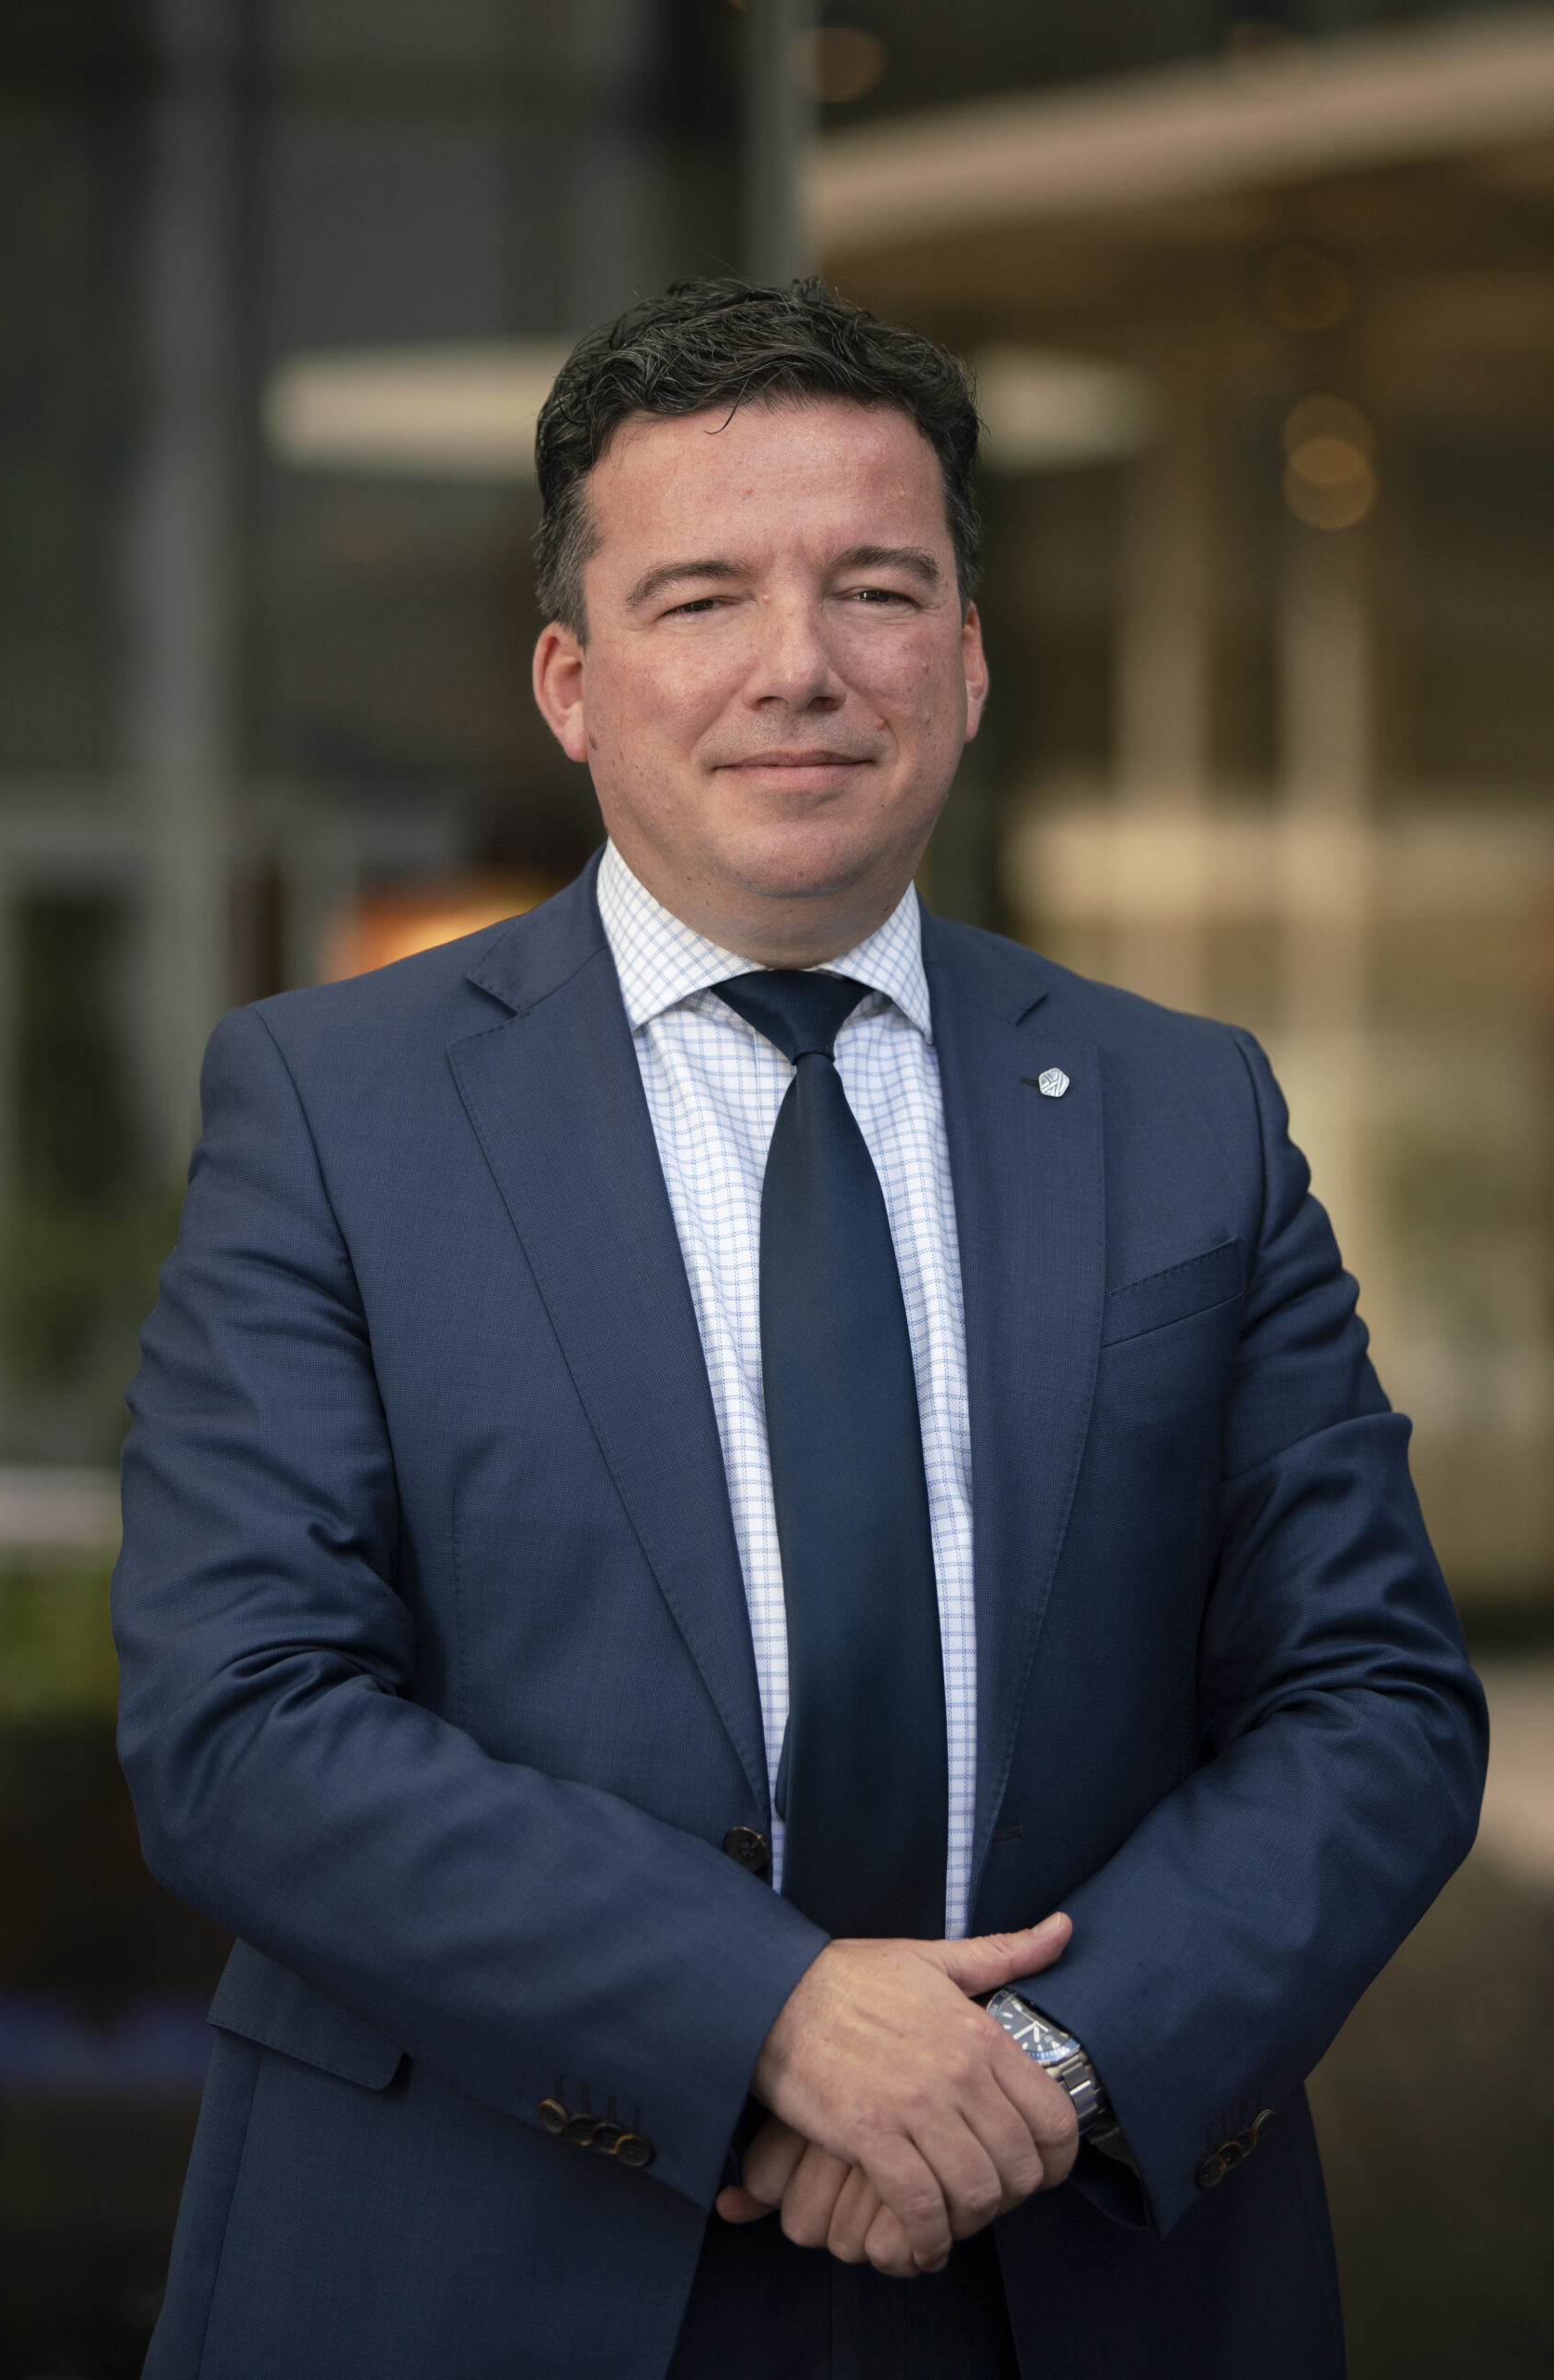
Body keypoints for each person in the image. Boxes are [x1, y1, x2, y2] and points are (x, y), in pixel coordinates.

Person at [112, 279, 1485, 2380]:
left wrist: (1045, 2063)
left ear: (968, 657)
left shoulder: (1184, 1105)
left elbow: (1372, 1697)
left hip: (1081, 2252)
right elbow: (242, 1718)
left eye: (875, 588)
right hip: (489, 2253)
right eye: (700, 597)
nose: (799, 666)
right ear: (571, 682)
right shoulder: (330, 1106)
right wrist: (761, 2010)